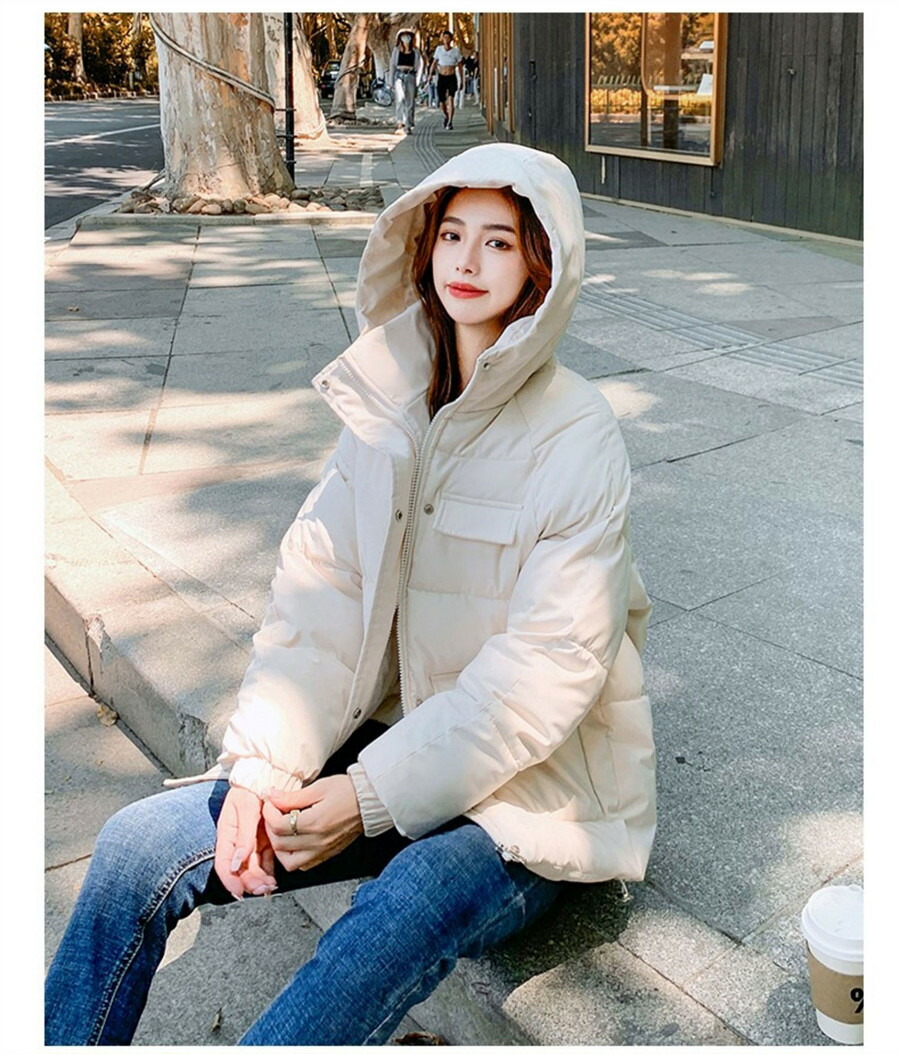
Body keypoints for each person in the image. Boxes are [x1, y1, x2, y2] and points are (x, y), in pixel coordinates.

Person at [44, 142, 657, 1046]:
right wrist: (263, 767)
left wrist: (366, 796)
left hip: (533, 795)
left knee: (407, 900)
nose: (468, 260)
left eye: (499, 241)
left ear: (542, 264)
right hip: (395, 740)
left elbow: (542, 677)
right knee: (138, 847)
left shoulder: (579, 436)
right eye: (452, 234)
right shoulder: (388, 400)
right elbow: (320, 594)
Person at [388, 27, 424, 135]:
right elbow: (392, 65)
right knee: (400, 99)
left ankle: (408, 124)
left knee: (410, 101)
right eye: (403, 36)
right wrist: (391, 80)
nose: (406, 38)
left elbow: (419, 66)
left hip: (411, 76)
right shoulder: (396, 51)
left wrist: (418, 80)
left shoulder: (415, 52)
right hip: (399, 76)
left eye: (408, 36)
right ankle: (400, 123)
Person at [427, 28, 464, 129]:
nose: (446, 40)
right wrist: (430, 75)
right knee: (442, 101)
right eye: (444, 38)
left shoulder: (456, 51)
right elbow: (434, 63)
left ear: (451, 39)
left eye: (448, 38)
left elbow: (460, 66)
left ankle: (450, 122)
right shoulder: (439, 49)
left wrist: (461, 80)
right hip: (442, 77)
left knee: (451, 99)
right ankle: (446, 116)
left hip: (451, 77)